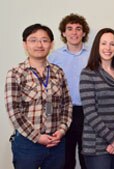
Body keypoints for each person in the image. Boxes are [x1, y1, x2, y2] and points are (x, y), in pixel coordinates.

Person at [4, 23, 72, 169]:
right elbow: (14, 111)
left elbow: (67, 105)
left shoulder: (58, 72)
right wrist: (38, 137)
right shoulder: (16, 73)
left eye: (44, 40)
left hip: (56, 143)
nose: (39, 45)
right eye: (33, 40)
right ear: (25, 44)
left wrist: (62, 130)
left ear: (51, 44)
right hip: (28, 144)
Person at [79, 28, 114, 169]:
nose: (108, 48)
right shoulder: (87, 74)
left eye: (112, 44)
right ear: (97, 46)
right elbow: (90, 112)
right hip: (96, 144)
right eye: (104, 43)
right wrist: (111, 139)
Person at [48, 13, 90, 169]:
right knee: (65, 159)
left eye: (78, 29)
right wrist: (48, 115)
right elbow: (48, 92)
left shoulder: (93, 55)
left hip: (87, 112)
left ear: (84, 33)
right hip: (62, 113)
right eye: (70, 29)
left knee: (87, 157)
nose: (74, 32)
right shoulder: (53, 57)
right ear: (63, 33)